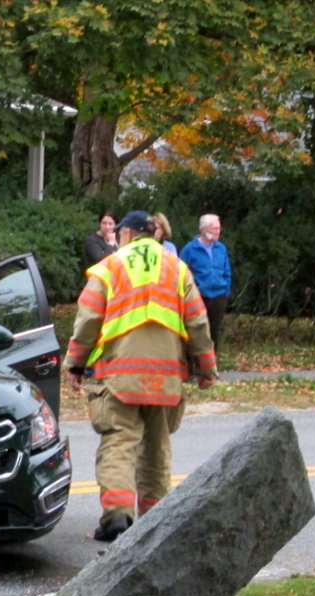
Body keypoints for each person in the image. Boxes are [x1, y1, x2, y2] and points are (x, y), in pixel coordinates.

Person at [64, 210, 218, 542]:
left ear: (129, 234)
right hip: (165, 378)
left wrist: (75, 364)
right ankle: (155, 521)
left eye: (120, 232)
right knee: (157, 448)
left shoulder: (111, 267)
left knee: (119, 443)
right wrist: (207, 368)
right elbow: (197, 321)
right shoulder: (177, 268)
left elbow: (88, 319)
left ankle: (118, 517)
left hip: (120, 375)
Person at [179, 213, 231, 353]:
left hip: (219, 297)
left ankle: (211, 362)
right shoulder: (190, 249)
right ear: (204, 229)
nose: (218, 231)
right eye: (215, 228)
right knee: (196, 331)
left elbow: (227, 271)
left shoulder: (221, 248)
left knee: (214, 332)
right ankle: (193, 362)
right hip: (199, 297)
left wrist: (225, 291)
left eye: (219, 228)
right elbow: (181, 273)